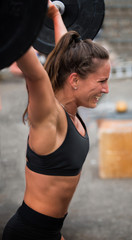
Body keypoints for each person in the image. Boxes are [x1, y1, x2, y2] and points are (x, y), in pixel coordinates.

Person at [2, 2, 111, 240]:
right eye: (101, 81)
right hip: (28, 234)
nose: (107, 89)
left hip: (50, 232)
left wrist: (54, 14)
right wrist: (16, 21)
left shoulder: (69, 108)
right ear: (74, 81)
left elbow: (64, 52)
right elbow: (34, 73)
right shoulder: (51, 117)